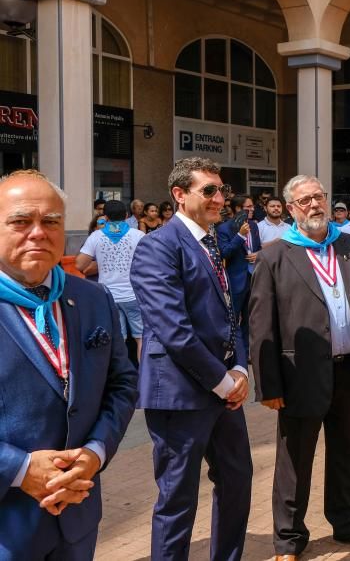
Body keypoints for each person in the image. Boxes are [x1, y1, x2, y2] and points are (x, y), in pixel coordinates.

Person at [0, 170, 137, 560]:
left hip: (77, 518)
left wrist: (95, 452)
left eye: (51, 222)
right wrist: (19, 468)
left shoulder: (93, 298)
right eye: (21, 221)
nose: (38, 232)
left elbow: (122, 384)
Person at [250, 174, 350, 556]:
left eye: (319, 197)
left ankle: (347, 523)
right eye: (305, 200)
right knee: (295, 463)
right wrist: (269, 386)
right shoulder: (275, 255)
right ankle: (289, 540)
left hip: (349, 371)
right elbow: (261, 325)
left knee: (348, 453)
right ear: (291, 209)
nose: (314, 204)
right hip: (300, 376)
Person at [130, 157, 253, 560]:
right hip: (181, 395)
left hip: (224, 387)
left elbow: (235, 310)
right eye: (210, 191)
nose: (220, 198)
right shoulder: (157, 247)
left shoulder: (215, 242)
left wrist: (239, 366)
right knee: (177, 500)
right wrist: (224, 382)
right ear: (180, 195)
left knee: (236, 481)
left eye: (223, 190)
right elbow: (174, 331)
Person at [76, 199, 147, 359]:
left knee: (118, 339)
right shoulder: (138, 235)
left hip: (108, 296)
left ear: (105, 217)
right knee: (142, 338)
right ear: (127, 215)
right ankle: (144, 379)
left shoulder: (96, 236)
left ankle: (122, 377)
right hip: (134, 295)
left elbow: (80, 264)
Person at [217, 194, 262, 356]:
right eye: (247, 207)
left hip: (254, 277)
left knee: (251, 319)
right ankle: (233, 352)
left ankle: (246, 352)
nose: (251, 210)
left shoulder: (254, 226)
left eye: (252, 207)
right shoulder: (224, 228)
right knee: (233, 319)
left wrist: (258, 254)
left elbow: (258, 247)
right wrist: (240, 235)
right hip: (236, 280)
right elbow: (225, 252)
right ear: (237, 209)